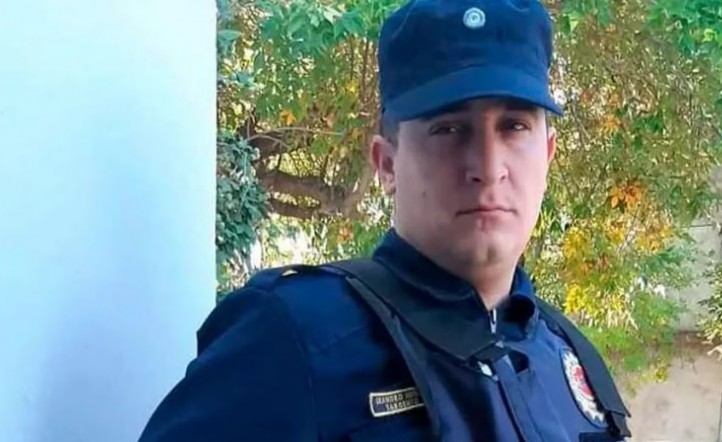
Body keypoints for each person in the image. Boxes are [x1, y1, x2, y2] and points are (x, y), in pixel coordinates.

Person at [138, 0, 632, 441]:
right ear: (387, 164)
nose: (487, 166)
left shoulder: (568, 357)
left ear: (548, 154)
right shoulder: (294, 337)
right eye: (449, 129)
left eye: (515, 126)